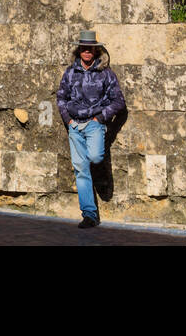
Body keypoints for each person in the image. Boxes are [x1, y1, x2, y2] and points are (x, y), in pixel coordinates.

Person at [56, 29, 126, 228]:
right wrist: (68, 120)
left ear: (95, 51)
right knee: (81, 170)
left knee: (95, 157)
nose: (87, 52)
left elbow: (119, 101)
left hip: (95, 125)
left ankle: (90, 211)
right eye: (83, 49)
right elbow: (61, 97)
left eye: (90, 49)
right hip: (75, 125)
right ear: (79, 51)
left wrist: (100, 118)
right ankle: (89, 215)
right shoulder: (70, 73)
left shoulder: (106, 73)